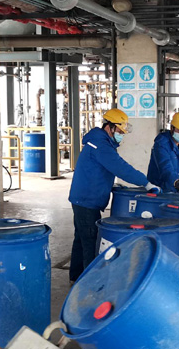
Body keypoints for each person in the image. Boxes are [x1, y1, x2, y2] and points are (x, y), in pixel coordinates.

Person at [68, 108, 161, 282]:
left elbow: (99, 170)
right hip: (87, 201)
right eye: (119, 131)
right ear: (109, 127)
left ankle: (76, 277)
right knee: (90, 242)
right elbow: (121, 168)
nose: (121, 135)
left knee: (81, 239)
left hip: (83, 198)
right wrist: (146, 183)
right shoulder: (101, 145)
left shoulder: (99, 142)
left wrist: (110, 184)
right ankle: (89, 283)